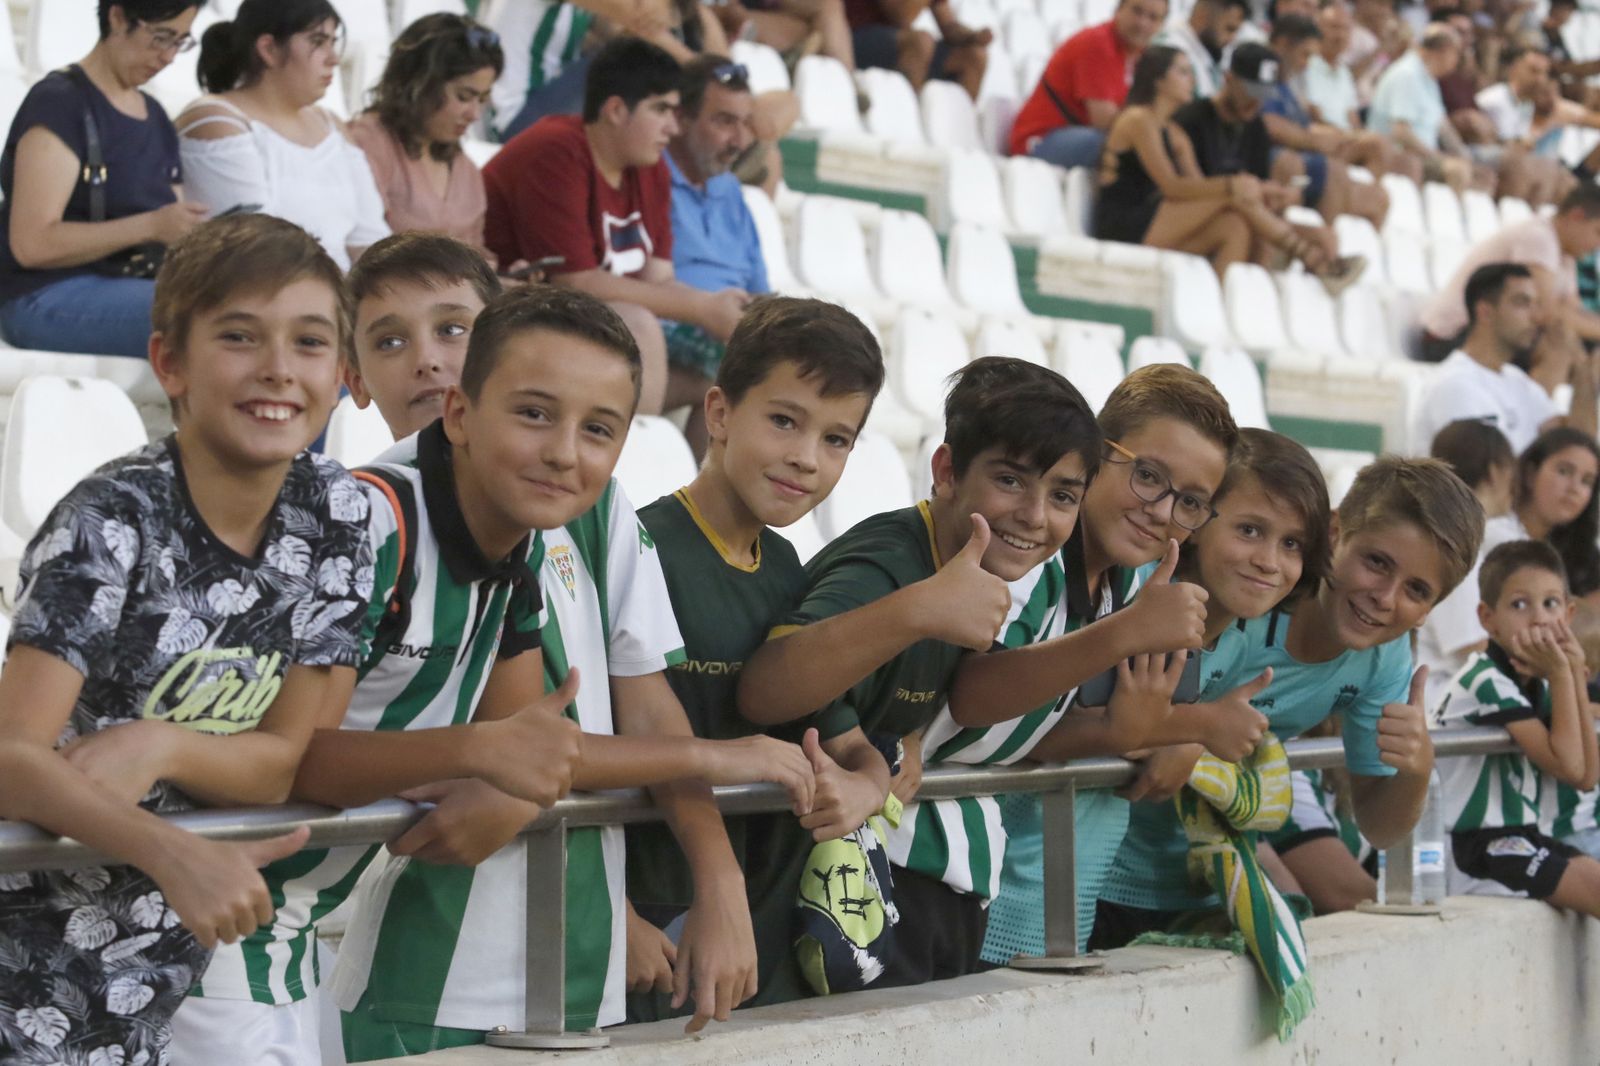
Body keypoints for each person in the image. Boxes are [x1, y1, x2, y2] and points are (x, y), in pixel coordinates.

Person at [328, 246, 815, 1058]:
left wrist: (717, 879)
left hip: (580, 950)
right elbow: (350, 752)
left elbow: (636, 703)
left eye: (453, 328)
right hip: (431, 955)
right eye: (389, 341)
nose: (427, 359)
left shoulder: (584, 499)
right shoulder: (373, 518)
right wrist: (511, 775)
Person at [172, 274, 597, 1066]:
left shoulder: (520, 550)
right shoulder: (367, 522)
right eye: (535, 414)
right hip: (206, 922)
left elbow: (527, 746)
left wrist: (509, 776)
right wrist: (480, 755)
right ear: (463, 415)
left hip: (288, 931)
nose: (565, 451)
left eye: (599, 428)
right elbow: (282, 758)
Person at [0, 212, 374, 1062]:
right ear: (170, 362)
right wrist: (170, 850)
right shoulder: (112, 518)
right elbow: (10, 757)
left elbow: (283, 756)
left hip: (145, 990)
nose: (278, 368)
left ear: (344, 372)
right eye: (240, 336)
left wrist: (160, 745)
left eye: (310, 342)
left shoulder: (337, 512)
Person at [738, 357, 1109, 985]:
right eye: (1011, 481)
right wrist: (916, 612)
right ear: (945, 471)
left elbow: (869, 709)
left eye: (1063, 496)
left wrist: (885, 749)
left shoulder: (966, 577)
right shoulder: (890, 565)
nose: (1036, 516)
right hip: (773, 901)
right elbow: (767, 688)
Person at [1094, 456, 1485, 949]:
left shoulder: (1385, 659)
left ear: (1431, 610)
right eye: (1377, 562)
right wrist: (1191, 732)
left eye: (1416, 590)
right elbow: (1103, 712)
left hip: (1201, 886)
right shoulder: (1245, 596)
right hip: (1091, 868)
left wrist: (1416, 769)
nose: (1385, 597)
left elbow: (1379, 825)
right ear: (1336, 533)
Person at [627, 296, 885, 1018]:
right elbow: (615, 743)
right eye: (784, 421)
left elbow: (852, 743)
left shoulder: (789, 568)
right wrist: (612, 912)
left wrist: (867, 785)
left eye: (836, 439)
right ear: (717, 413)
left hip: (766, 929)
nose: (806, 457)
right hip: (660, 924)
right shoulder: (642, 550)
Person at [938, 364, 1238, 956]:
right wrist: (1128, 715)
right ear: (1097, 454)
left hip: (1034, 903)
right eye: (1148, 476)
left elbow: (1110, 720)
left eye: (1191, 502)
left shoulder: (1132, 582)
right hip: (948, 886)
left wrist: (1175, 731)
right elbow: (969, 704)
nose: (1161, 510)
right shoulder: (1026, 554)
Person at [484, 37, 752, 422]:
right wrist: (701, 308)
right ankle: (630, 470)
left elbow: (659, 279)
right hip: (514, 322)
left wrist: (723, 311)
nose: (672, 127)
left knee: (732, 371)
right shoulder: (555, 151)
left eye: (675, 111)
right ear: (615, 110)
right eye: (661, 109)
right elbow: (575, 283)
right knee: (637, 325)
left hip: (585, 333)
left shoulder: (651, 165)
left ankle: (695, 480)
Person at [0, 0, 207, 357]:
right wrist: (152, 225)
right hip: (46, 293)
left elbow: (170, 225)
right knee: (216, 317)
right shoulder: (60, 103)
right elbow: (31, 244)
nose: (169, 56)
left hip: (133, 285)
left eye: (180, 42)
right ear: (117, 16)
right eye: (161, 37)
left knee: (276, 314)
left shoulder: (156, 117)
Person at [1434, 539, 1600, 912]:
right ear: (1487, 618)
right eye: (1519, 605)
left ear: (1569, 615)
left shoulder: (1538, 682)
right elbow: (1570, 768)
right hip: (1471, 842)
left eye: (1551, 603)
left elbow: (1589, 776)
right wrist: (1563, 672)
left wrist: (1571, 671)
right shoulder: (1484, 678)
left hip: (1522, 834)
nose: (1540, 618)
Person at [178, 0, 390, 271]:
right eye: (318, 41)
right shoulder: (217, 120)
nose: (333, 58)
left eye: (333, 42)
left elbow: (369, 239)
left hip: (339, 300)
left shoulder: (332, 125)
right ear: (268, 49)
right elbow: (255, 251)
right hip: (263, 298)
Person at [1173, 43, 1367, 291]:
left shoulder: (1255, 128)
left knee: (1324, 238)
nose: (1256, 102)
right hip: (1201, 216)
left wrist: (1277, 194)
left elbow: (1256, 184)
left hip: (1246, 212)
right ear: (1228, 80)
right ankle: (1241, 300)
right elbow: (1189, 188)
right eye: (1250, 91)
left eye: (1263, 95)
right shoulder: (1193, 120)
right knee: (1249, 227)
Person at [663, 56, 773, 456]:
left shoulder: (729, 189)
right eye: (725, 121)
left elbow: (760, 290)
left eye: (745, 124)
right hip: (671, 328)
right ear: (681, 118)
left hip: (730, 332)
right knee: (739, 372)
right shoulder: (648, 176)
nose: (740, 141)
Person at [347, 13, 504, 258]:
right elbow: (363, 253)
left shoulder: (465, 168)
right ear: (419, 85)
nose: (474, 114)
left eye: (482, 99)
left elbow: (476, 258)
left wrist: (501, 278)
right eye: (463, 97)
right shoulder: (369, 142)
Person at [1092, 46, 1257, 278]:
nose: (1192, 80)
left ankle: (1219, 308)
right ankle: (1298, 244)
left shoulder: (1175, 132)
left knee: (1234, 226)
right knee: (1233, 196)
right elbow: (1172, 187)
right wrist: (1232, 185)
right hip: (1125, 222)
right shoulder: (1138, 119)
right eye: (1183, 72)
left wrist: (1241, 190)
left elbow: (1198, 186)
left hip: (1157, 220)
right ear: (1158, 80)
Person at [1410, 263, 1586, 457]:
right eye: (1522, 303)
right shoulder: (1455, 384)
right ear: (1485, 312)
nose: (1537, 317)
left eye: (1535, 305)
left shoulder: (1517, 380)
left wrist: (1585, 372)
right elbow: (1482, 480)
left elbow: (1573, 450)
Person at [1419, 185, 1600, 366]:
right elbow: (1545, 313)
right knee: (1553, 349)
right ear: (1576, 216)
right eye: (1598, 232)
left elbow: (1572, 311)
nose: (1598, 245)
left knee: (1575, 349)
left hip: (1486, 332)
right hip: (1451, 337)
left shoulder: (1567, 252)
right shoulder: (1539, 238)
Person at [1414, 417, 1516, 709]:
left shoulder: (1449, 537)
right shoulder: (1452, 546)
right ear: (1496, 473)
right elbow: (1472, 650)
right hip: (1436, 711)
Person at [1260, 15, 1390, 226]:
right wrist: (1312, 140)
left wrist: (1331, 138)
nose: (1307, 64)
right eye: (1305, 55)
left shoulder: (1288, 86)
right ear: (1282, 45)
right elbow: (1266, 123)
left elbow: (1303, 126)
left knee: (1378, 198)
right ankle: (1325, 245)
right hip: (1275, 163)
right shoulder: (1260, 75)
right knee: (1332, 171)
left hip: (1306, 162)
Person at [1010, 0, 1168, 167]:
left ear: (1161, 25)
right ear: (1118, 10)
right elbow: (1104, 121)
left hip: (1077, 136)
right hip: (1041, 140)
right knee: (1128, 148)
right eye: (1137, 11)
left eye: (1153, 18)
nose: (1142, 23)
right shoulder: (1098, 44)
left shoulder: (1142, 55)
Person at [1366, 23, 1482, 192]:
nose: (1457, 61)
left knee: (1482, 174)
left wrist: (1465, 155)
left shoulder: (1429, 78)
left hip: (1422, 155)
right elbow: (1401, 133)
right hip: (1399, 154)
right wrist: (1440, 158)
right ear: (1443, 51)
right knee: (1457, 172)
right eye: (1456, 53)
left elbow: (1443, 127)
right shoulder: (1407, 74)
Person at [1472, 45, 1576, 207]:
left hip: (1511, 161)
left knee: (1566, 180)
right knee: (1534, 166)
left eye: (1544, 73)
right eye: (1534, 71)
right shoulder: (1494, 99)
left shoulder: (1527, 106)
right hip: (1485, 159)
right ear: (1514, 69)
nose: (1540, 80)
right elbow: (1504, 145)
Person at [845, 0, 992, 99]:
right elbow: (901, 16)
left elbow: (949, 27)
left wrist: (972, 37)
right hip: (854, 39)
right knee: (920, 42)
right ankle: (905, 121)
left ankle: (954, 135)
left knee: (974, 56)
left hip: (897, 45)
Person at [1156, 0, 1252, 99]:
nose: (1232, 39)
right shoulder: (1170, 48)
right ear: (1202, 17)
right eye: (1229, 29)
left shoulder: (1207, 53)